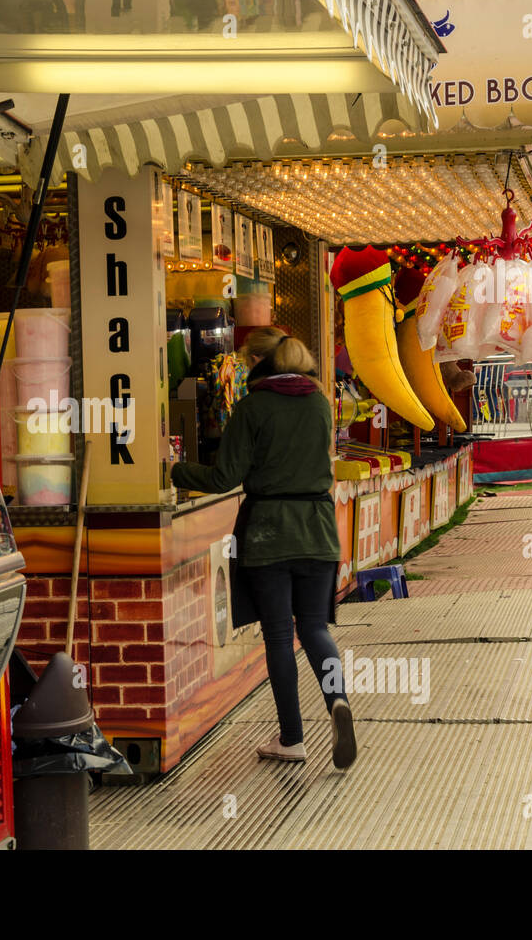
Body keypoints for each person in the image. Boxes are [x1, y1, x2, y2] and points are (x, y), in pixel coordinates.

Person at [170, 327, 355, 769]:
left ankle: (292, 739)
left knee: (278, 636)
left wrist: (173, 471)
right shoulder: (319, 404)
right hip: (318, 528)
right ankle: (338, 701)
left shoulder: (252, 408)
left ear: (256, 363)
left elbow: (222, 478)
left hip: (269, 533)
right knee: (315, 629)